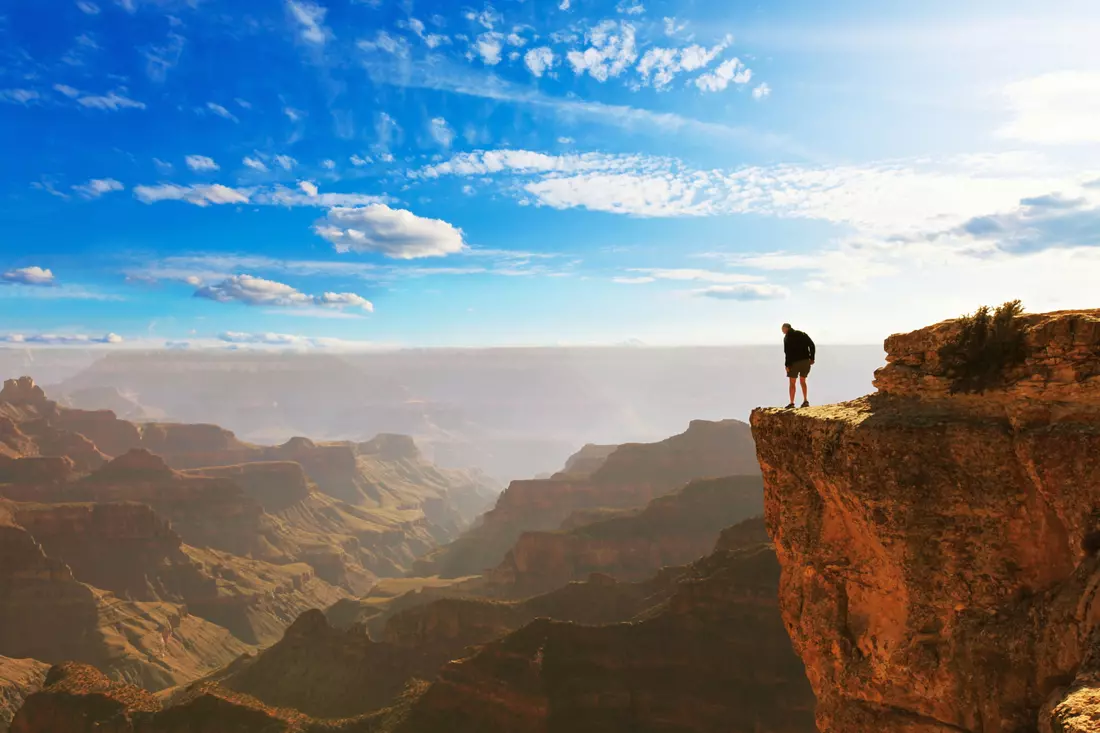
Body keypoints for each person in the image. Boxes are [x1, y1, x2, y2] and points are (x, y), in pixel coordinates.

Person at [781, 323, 815, 408]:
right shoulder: (802, 334)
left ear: (786, 328)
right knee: (803, 381)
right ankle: (805, 401)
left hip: (794, 363)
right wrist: (812, 358)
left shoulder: (787, 338)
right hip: (805, 361)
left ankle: (792, 403)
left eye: (783, 329)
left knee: (792, 383)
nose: (782, 330)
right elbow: (811, 345)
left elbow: (787, 352)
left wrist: (787, 365)